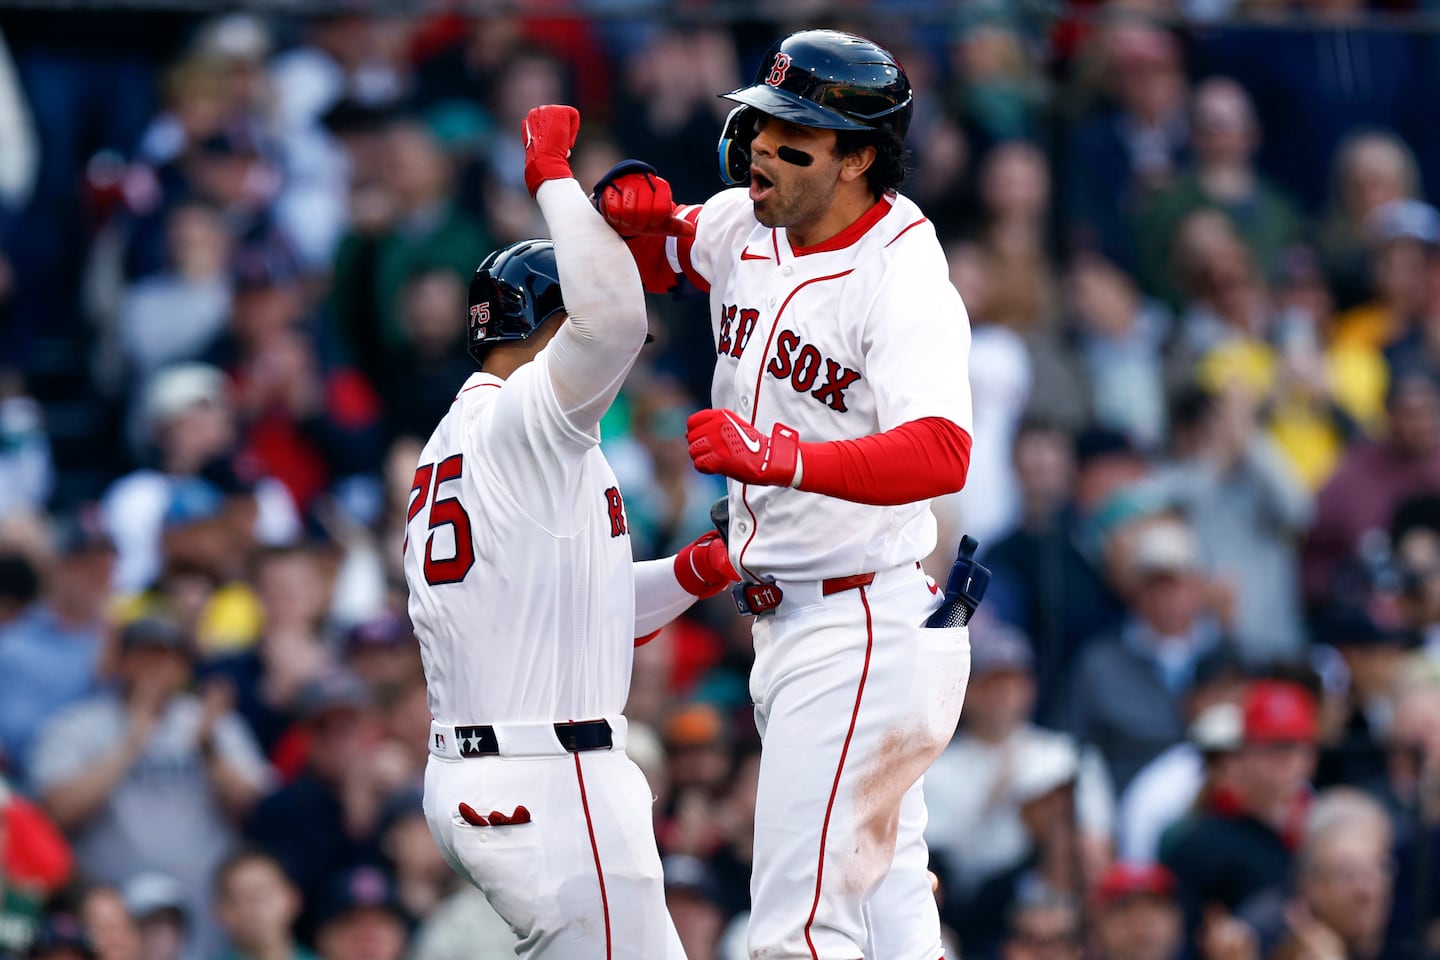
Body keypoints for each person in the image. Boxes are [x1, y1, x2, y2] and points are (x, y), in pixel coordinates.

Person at [593, 30, 974, 958]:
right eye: (760, 121)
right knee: (889, 918)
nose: (762, 145)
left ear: (858, 159)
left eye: (794, 133)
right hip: (809, 625)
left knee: (797, 933)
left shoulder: (902, 273)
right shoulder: (746, 224)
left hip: (860, 625)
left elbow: (942, 452)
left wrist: (784, 458)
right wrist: (627, 212)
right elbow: (670, 254)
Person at [405, 104, 738, 957]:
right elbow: (616, 320)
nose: (625, 366)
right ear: (543, 327)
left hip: (500, 771)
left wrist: (699, 570)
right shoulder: (527, 420)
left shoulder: (475, 438)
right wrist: (556, 181)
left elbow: (580, 613)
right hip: (549, 777)